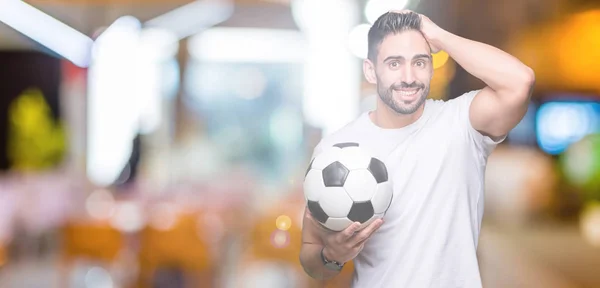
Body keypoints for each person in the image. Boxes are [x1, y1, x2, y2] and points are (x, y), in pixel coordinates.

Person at [299, 10, 534, 288]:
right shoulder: (335, 150)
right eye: (394, 63)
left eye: (420, 62)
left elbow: (521, 81)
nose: (409, 77)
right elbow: (310, 255)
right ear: (371, 71)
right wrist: (331, 256)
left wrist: (439, 35)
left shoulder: (461, 123)